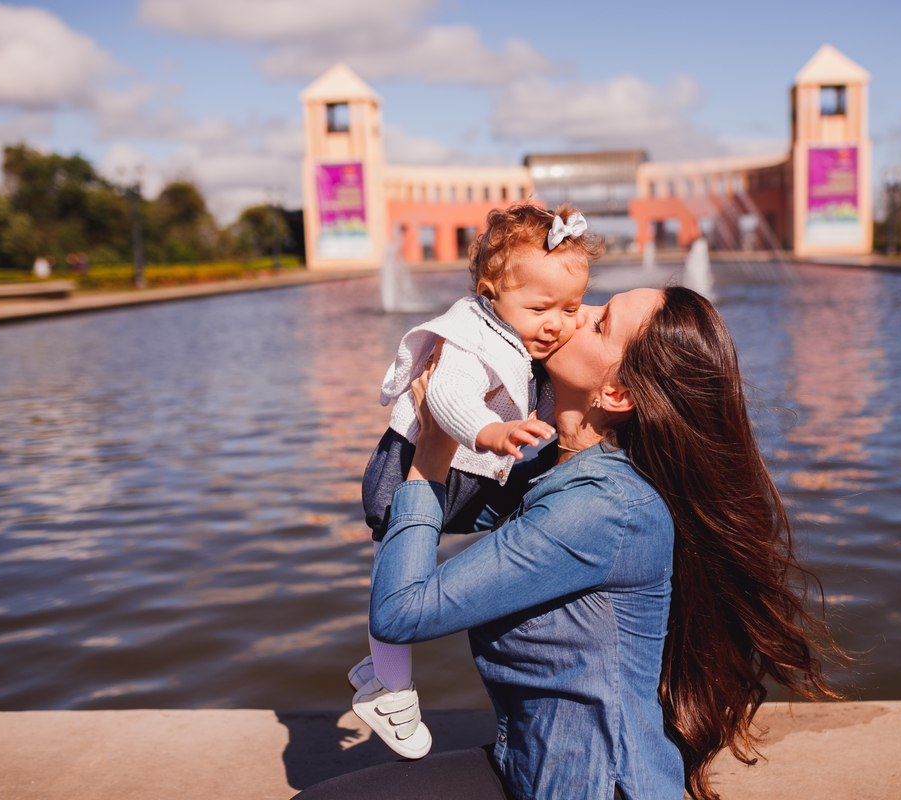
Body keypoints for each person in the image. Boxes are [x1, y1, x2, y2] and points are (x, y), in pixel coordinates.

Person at [298, 285, 840, 800]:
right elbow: (423, 510)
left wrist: (434, 451)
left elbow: (400, 612)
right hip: (532, 766)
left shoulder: (603, 507)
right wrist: (467, 377)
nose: (579, 312)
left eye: (600, 324)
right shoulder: (556, 464)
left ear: (616, 393)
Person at [353, 204, 601, 759]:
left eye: (572, 308)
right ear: (491, 293)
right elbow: (446, 395)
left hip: (472, 472)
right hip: (420, 459)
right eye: (540, 308)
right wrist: (490, 431)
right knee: (393, 564)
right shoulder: (469, 336)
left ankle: (380, 672)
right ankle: (390, 689)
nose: (557, 323)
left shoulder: (521, 329)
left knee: (505, 515)